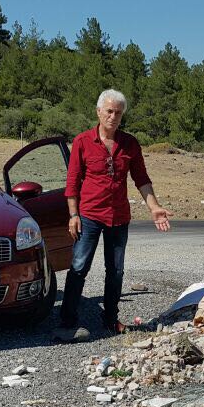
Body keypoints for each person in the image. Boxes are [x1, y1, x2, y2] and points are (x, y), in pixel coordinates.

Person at [55, 89, 172, 341]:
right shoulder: (82, 142)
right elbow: (72, 182)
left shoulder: (130, 144)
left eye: (118, 112)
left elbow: (141, 178)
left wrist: (154, 207)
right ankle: (67, 320)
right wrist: (73, 215)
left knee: (116, 270)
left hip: (118, 217)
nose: (113, 116)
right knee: (78, 267)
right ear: (98, 112)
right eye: (109, 111)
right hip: (89, 215)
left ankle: (109, 319)